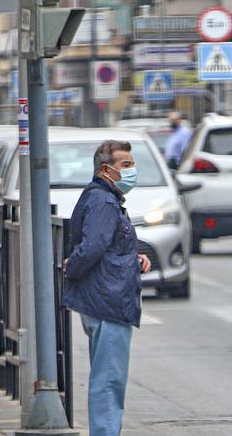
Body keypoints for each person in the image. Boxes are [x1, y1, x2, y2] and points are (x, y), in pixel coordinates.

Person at [62, 140, 151, 436]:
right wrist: (71, 268)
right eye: (126, 165)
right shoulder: (103, 201)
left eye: (132, 164)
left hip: (106, 297)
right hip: (107, 301)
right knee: (109, 380)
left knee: (107, 377)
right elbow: (92, 247)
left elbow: (106, 245)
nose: (132, 170)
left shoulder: (106, 198)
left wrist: (132, 258)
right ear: (106, 169)